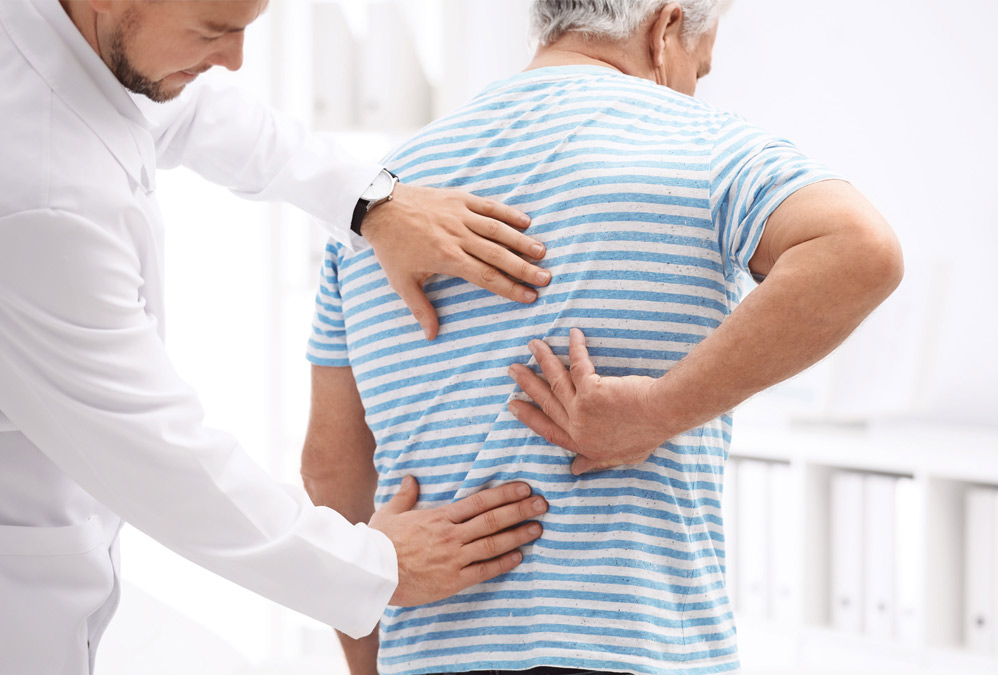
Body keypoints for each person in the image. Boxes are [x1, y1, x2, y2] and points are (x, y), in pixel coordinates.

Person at [301, 0, 904, 673]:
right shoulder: (707, 146)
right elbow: (860, 248)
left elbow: (330, 468)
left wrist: (368, 664)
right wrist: (655, 412)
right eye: (698, 70)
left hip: (428, 655)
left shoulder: (380, 207)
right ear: (665, 30)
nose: (694, 89)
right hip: (639, 654)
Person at [0, 1, 554, 673]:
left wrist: (372, 202)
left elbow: (195, 113)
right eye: (214, 31)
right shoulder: (40, 195)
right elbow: (164, 463)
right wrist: (378, 566)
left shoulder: (78, 38)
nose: (234, 60)